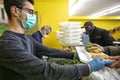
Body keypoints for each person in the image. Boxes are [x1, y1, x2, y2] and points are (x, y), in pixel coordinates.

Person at [0, 0, 112, 80]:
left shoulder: (27, 38)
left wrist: (74, 55)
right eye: (30, 12)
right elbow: (46, 71)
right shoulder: (7, 44)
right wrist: (88, 67)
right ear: (15, 11)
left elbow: (49, 51)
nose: (33, 17)